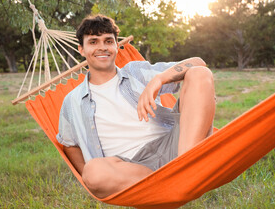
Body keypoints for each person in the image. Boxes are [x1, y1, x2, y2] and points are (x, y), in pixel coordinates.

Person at [57, 14, 216, 199]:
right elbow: (69, 144)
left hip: (176, 146)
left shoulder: (135, 72)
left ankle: (184, 168)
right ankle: (169, 183)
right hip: (132, 169)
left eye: (108, 41)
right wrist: (92, 179)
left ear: (116, 46)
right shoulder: (72, 101)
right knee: (92, 171)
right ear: (81, 50)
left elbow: (198, 63)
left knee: (199, 74)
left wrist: (159, 79)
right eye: (93, 42)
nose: (102, 47)